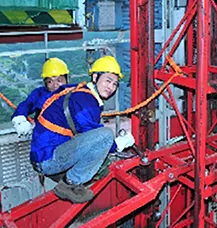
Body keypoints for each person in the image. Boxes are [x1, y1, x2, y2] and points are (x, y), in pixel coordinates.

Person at [30, 55, 135, 203]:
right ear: (95, 77)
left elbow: (44, 102)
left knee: (101, 152)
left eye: (115, 84)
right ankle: (70, 183)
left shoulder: (78, 89)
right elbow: (94, 135)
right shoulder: (87, 102)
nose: (111, 87)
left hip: (44, 153)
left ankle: (74, 177)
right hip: (48, 159)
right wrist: (119, 144)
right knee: (106, 135)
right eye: (108, 81)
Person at [11, 57, 70, 137]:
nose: (55, 85)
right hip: (45, 136)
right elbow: (27, 104)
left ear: (67, 79)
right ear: (45, 83)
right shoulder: (40, 94)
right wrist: (19, 118)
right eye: (50, 81)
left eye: (59, 80)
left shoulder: (75, 94)